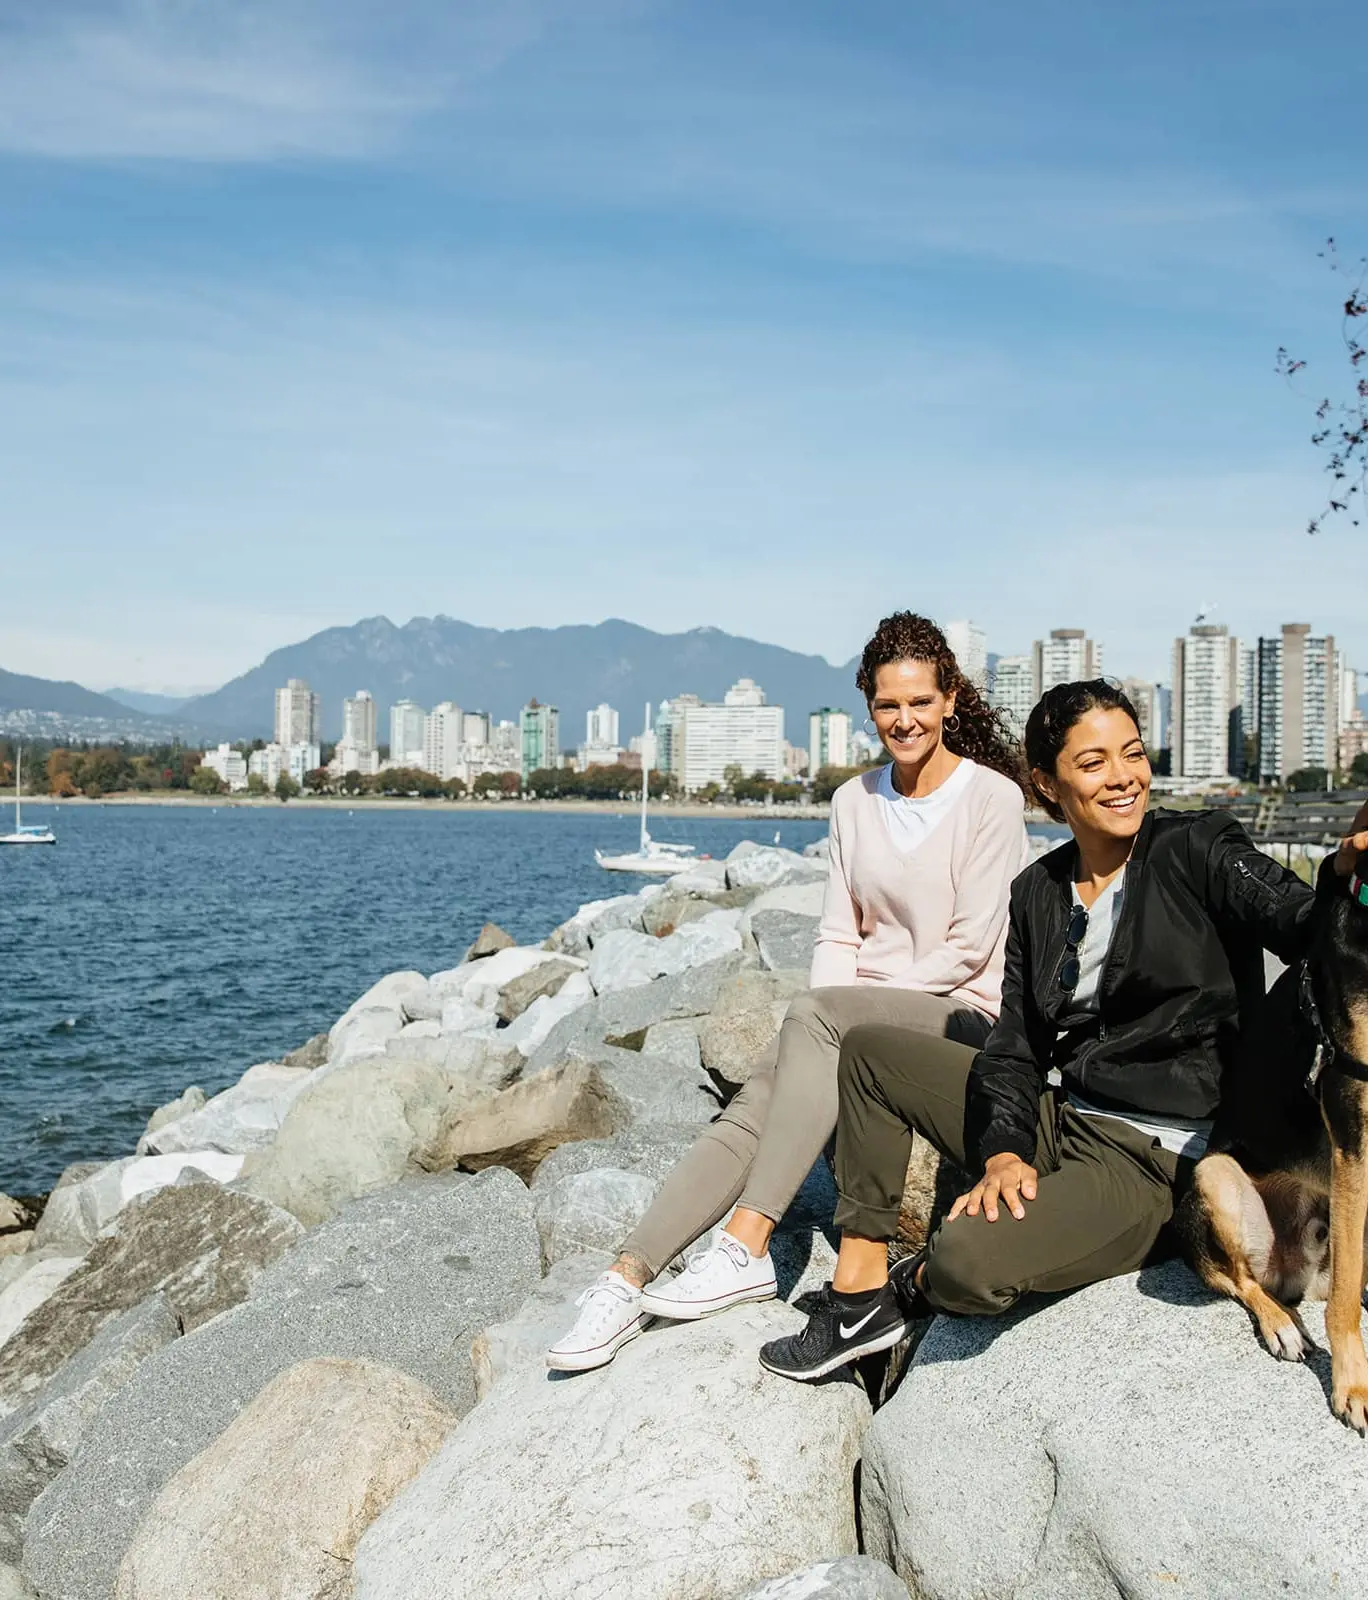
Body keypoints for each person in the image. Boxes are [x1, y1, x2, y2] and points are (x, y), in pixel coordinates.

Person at [759, 677, 1368, 1382]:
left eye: (1132, 754)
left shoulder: (1199, 849)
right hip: (1064, 1114)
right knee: (868, 1053)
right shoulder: (1038, 892)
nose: (1123, 778)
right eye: (1094, 762)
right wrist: (1003, 1151)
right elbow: (1015, 1045)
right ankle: (861, 1296)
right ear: (1047, 783)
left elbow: (1301, 926)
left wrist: (1346, 872)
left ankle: (913, 1286)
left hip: (1154, 1157)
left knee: (965, 1264)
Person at [547, 612, 1029, 1371]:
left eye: (919, 703)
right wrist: (836, 1018)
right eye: (887, 705)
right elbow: (838, 933)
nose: (904, 720)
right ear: (869, 707)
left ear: (950, 703)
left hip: (961, 1011)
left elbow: (971, 948)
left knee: (813, 1023)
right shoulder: (853, 802)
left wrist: (841, 1017)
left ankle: (746, 1242)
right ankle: (625, 1277)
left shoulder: (991, 799)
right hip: (859, 1013)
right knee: (759, 1100)